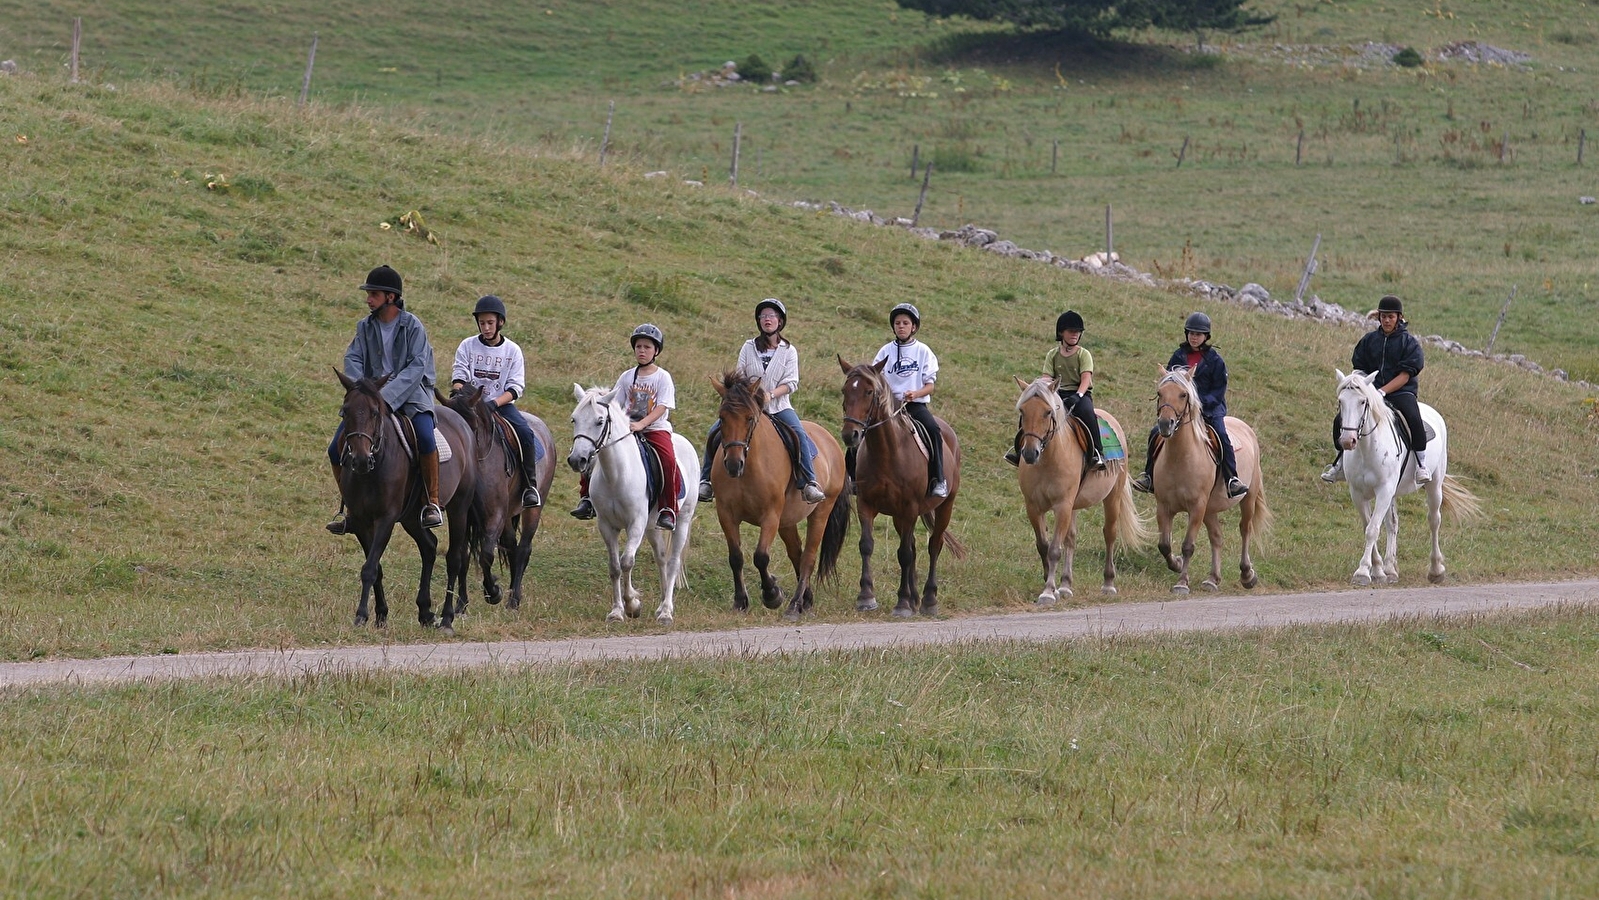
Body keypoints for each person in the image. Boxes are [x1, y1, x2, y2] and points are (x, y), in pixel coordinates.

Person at [327, 264, 444, 532]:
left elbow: (416, 367)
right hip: (371, 399)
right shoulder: (364, 326)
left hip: (413, 395)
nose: (368, 299)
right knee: (335, 448)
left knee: (426, 437)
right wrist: (364, 389)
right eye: (369, 294)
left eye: (374, 294)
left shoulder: (413, 326)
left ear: (391, 297)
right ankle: (349, 507)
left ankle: (432, 502)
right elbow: (352, 357)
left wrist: (385, 397)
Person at [698, 298, 827, 504]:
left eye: (772, 316)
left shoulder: (788, 350)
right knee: (714, 431)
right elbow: (740, 376)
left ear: (780, 321)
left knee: (799, 434)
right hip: (749, 408)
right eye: (763, 316)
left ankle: (808, 482)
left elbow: (792, 383)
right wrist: (744, 396)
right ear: (759, 321)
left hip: (778, 407)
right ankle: (706, 481)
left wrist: (771, 395)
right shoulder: (748, 347)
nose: (767, 319)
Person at [571, 324, 682, 531]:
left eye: (647, 347)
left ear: (656, 351)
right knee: (594, 452)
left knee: (667, 460)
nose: (642, 350)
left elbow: (662, 407)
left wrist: (642, 423)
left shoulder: (662, 377)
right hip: (627, 429)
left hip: (655, 429)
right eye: (638, 346)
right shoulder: (626, 376)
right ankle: (586, 498)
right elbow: (615, 403)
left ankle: (668, 508)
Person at [1131, 312, 1249, 498]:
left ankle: (1231, 479)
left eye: (1198, 334)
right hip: (1181, 410)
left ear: (1206, 337)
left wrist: (1198, 404)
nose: (1194, 337)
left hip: (1209, 410)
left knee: (1222, 435)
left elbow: (1219, 390)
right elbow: (1170, 382)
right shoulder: (1178, 356)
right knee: (1156, 433)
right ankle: (1149, 476)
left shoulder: (1216, 361)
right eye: (1191, 333)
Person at [1321, 295, 1430, 485]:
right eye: (1383, 316)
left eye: (1391, 317)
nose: (1387, 320)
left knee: (1413, 416)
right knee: (1340, 420)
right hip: (1371, 391)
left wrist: (1382, 392)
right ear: (1378, 317)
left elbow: (1405, 376)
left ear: (1399, 317)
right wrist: (1363, 387)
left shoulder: (1409, 343)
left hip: (1400, 391)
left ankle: (1421, 464)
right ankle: (1339, 462)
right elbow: (1359, 368)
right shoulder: (1369, 340)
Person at [449, 294, 542, 509]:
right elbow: (458, 378)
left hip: (500, 405)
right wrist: (463, 398)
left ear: (500, 322)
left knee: (525, 433)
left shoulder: (513, 351)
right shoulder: (467, 345)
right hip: (470, 405)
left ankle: (530, 485)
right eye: (482, 323)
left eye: (490, 323)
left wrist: (493, 404)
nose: (486, 327)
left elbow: (515, 387)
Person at [1006, 309, 1106, 470]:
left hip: (1079, 394)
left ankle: (1097, 453)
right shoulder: (1052, 354)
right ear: (1061, 333)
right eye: (1071, 331)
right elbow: (1047, 377)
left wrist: (1078, 395)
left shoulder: (1084, 354)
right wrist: (1038, 387)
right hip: (1055, 393)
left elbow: (1086, 379)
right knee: (1029, 412)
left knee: (1088, 413)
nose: (1075, 334)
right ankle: (1019, 450)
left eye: (1078, 332)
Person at [873, 303, 949, 498]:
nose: (901, 326)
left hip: (914, 405)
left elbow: (930, 385)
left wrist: (915, 394)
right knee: (862, 430)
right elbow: (874, 378)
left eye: (905, 323)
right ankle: (852, 475)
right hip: (889, 407)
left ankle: (939, 479)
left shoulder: (923, 351)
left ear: (914, 327)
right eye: (897, 323)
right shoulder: (885, 351)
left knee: (933, 430)